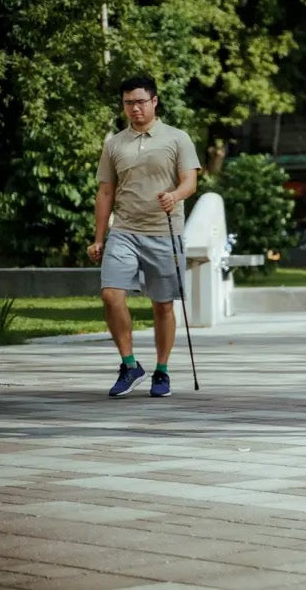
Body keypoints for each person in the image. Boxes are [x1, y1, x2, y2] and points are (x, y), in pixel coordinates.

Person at [87, 76, 200, 398]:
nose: (134, 108)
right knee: (111, 295)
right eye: (128, 103)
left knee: (163, 305)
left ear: (154, 101)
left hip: (164, 232)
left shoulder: (177, 138)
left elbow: (190, 181)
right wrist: (99, 238)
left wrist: (175, 196)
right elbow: (105, 191)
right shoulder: (114, 144)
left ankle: (161, 371)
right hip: (123, 230)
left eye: (140, 101)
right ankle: (129, 364)